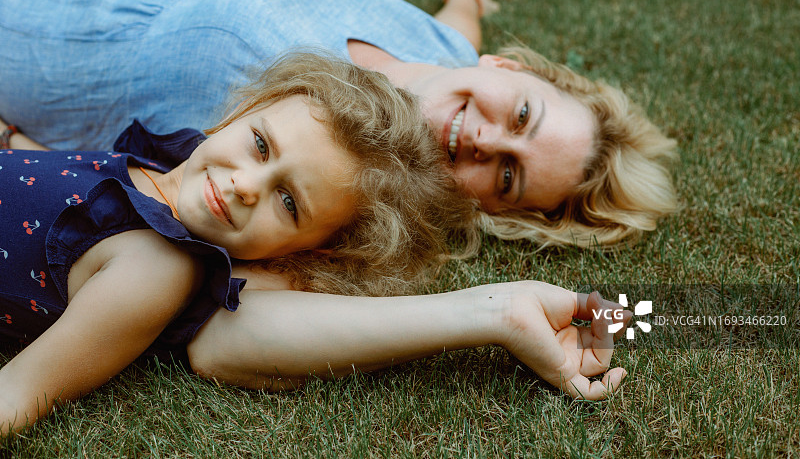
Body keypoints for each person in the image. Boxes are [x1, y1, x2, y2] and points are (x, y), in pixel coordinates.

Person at [0, 0, 678, 249]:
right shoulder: (448, 50)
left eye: (507, 176)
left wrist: (23, 142)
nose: (484, 137)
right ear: (508, 68)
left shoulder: (349, 192)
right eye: (521, 116)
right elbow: (458, 22)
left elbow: (161, 224)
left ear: (489, 208)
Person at [0, 52, 479, 434]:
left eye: (289, 203)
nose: (247, 185)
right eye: (261, 145)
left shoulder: (155, 266)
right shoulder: (156, 168)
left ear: (310, 251)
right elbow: (60, 190)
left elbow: (17, 395)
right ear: (246, 110)